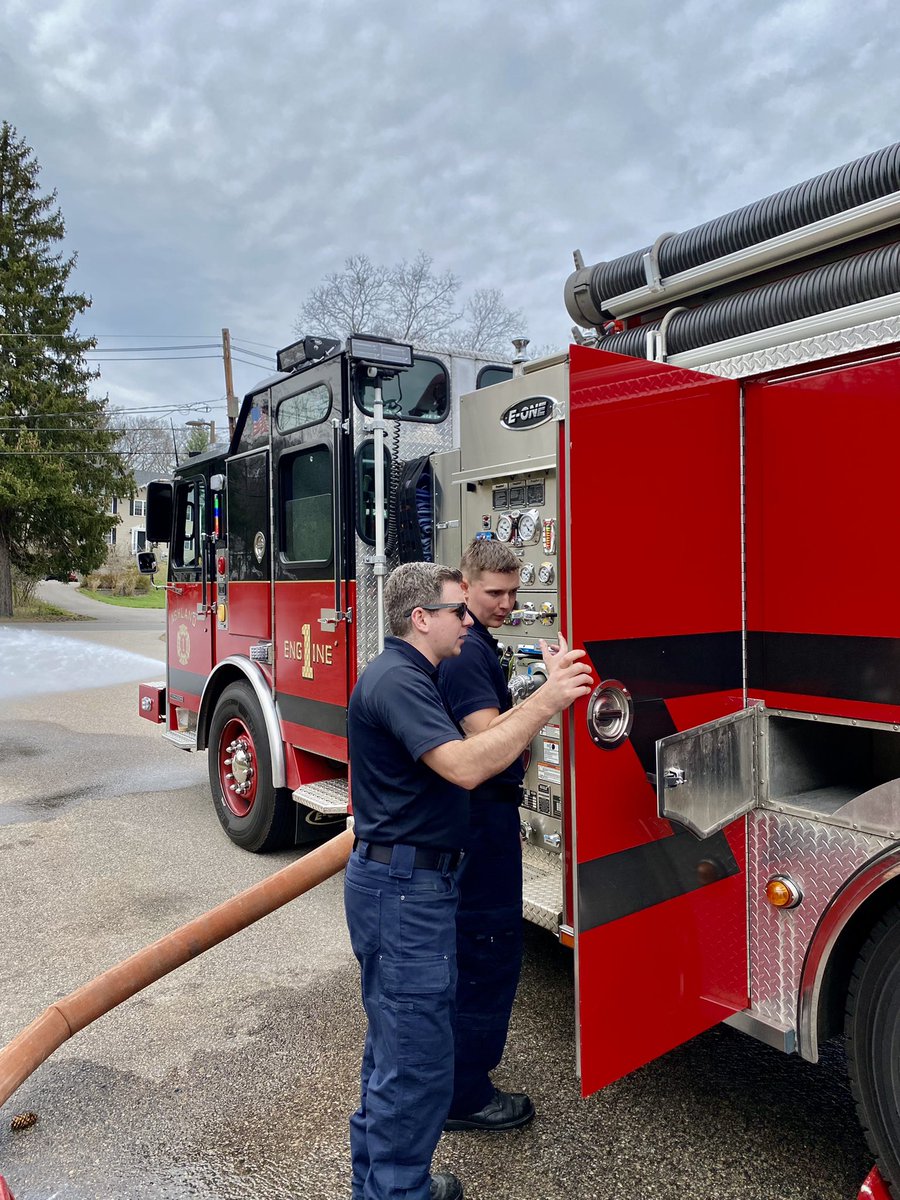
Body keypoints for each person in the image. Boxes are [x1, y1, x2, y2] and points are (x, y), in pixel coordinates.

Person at [345, 561, 593, 1200]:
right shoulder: (399, 678)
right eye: (458, 609)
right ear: (420, 618)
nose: (468, 619)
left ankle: (382, 1186)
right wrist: (548, 699)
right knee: (416, 1062)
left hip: (408, 884)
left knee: (397, 1049)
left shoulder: (414, 673)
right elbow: (463, 766)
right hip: (404, 893)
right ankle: (400, 1193)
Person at [436, 539, 531, 1132]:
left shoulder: (471, 642)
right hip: (480, 821)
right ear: (465, 588)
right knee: (486, 951)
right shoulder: (469, 654)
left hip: (473, 820)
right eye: (494, 593)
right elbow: (489, 744)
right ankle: (466, 1095)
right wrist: (544, 701)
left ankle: (455, 1081)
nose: (506, 603)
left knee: (477, 951)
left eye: (514, 592)